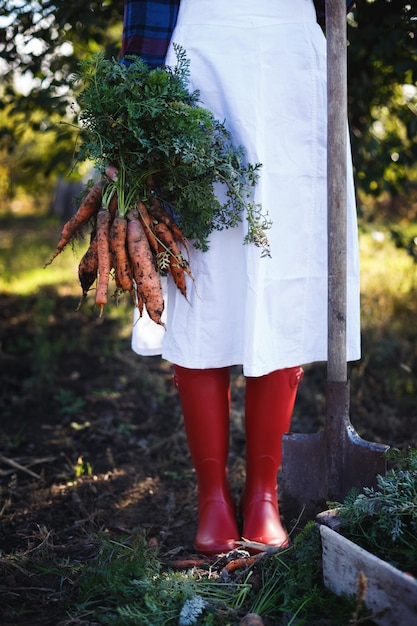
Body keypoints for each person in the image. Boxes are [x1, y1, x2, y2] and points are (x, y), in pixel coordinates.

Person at [117, 0, 361, 555]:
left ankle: (263, 496)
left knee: (286, 263)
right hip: (201, 53)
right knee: (202, 271)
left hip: (293, 57)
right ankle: (213, 499)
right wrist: (134, 106)